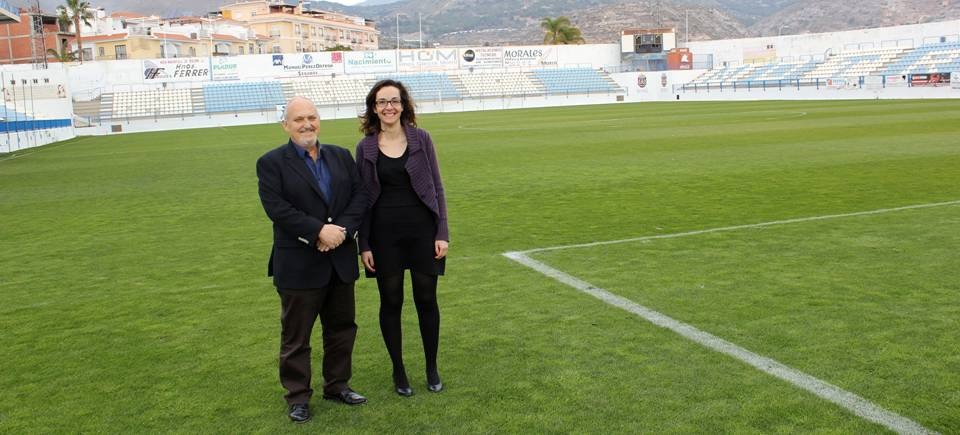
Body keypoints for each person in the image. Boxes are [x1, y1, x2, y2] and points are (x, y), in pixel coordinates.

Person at [256, 96, 369, 424]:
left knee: (342, 329)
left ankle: (337, 385)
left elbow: (360, 197)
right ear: (285, 125)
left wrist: (341, 232)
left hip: (339, 259)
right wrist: (319, 231)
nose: (307, 124)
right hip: (299, 264)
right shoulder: (271, 163)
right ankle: (298, 397)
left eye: (312, 117)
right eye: (299, 119)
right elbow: (278, 209)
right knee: (296, 337)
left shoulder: (341, 156)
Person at [355, 80, 449, 397]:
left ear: (403, 104)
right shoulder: (365, 147)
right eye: (382, 102)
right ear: (373, 107)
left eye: (394, 100)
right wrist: (363, 243)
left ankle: (431, 367)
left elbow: (437, 187)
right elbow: (363, 199)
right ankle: (399, 370)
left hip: (422, 231)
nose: (389, 107)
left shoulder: (421, 139)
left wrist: (442, 232)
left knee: (426, 300)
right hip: (384, 236)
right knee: (391, 302)